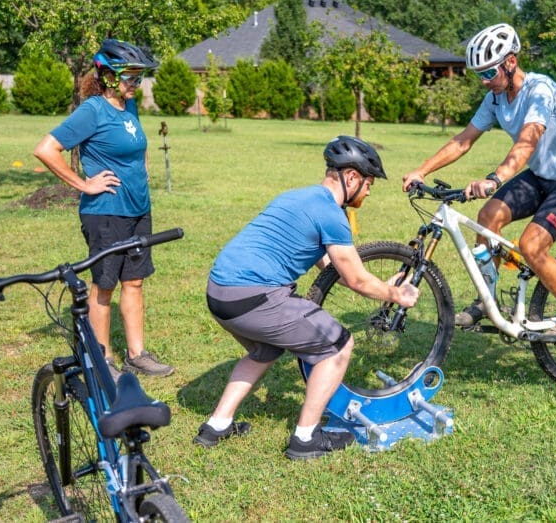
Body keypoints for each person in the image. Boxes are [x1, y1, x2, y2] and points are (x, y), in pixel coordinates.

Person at [196, 136, 419, 459]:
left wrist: (381, 285)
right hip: (254, 296)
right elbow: (355, 279)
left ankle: (216, 425)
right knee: (338, 346)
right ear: (352, 177)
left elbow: (335, 269)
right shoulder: (331, 214)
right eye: (369, 183)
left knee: (265, 349)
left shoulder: (299, 198)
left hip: (219, 294)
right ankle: (305, 438)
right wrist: (397, 294)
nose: (369, 191)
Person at [401, 23, 556, 343]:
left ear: (510, 62)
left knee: (532, 246)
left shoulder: (539, 91)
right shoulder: (495, 98)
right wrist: (421, 170)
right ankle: (486, 300)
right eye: (478, 74)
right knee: (488, 218)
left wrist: (495, 179)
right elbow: (464, 140)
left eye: (489, 72)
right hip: (540, 176)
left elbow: (526, 143)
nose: (483, 80)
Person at [34, 39, 174, 379]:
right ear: (108, 75)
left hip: (138, 209)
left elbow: (138, 146)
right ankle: (102, 359)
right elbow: (46, 149)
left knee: (135, 282)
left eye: (139, 77)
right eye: (129, 77)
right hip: (106, 212)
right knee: (105, 284)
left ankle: (137, 354)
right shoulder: (92, 110)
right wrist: (85, 184)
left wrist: (143, 170)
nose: (135, 84)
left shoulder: (130, 107)